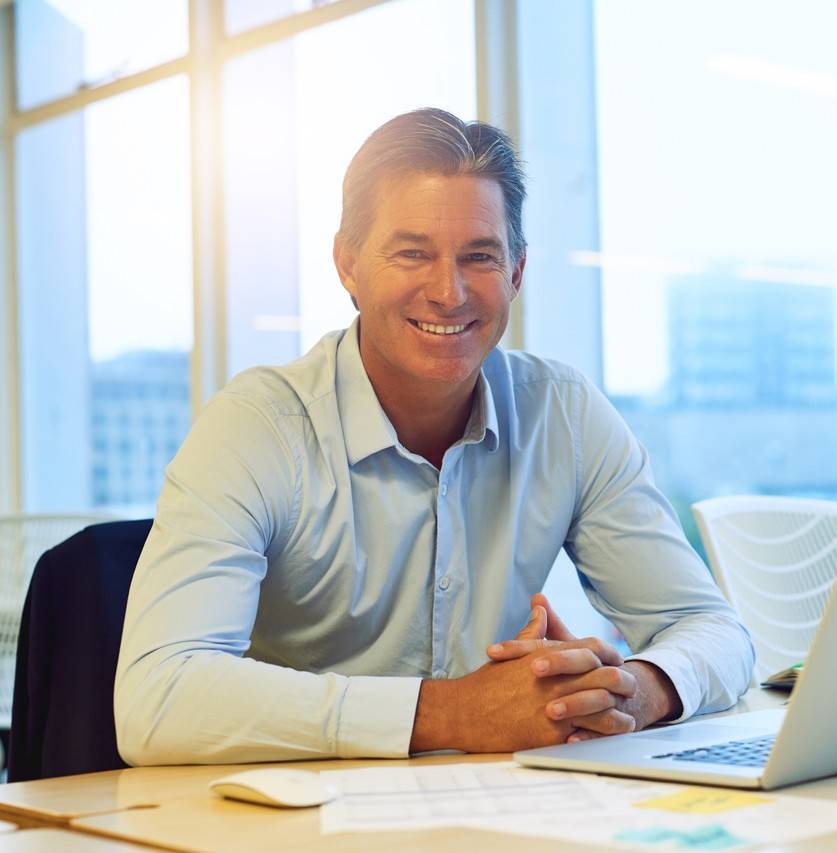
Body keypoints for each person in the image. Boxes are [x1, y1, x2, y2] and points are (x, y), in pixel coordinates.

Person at [114, 108, 754, 764]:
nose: (448, 292)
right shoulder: (258, 426)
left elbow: (715, 630)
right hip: (301, 817)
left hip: (503, 807)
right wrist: (452, 711)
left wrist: (632, 691)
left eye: (479, 257)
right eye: (412, 253)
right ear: (348, 263)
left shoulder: (563, 412)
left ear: (517, 272)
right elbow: (156, 699)